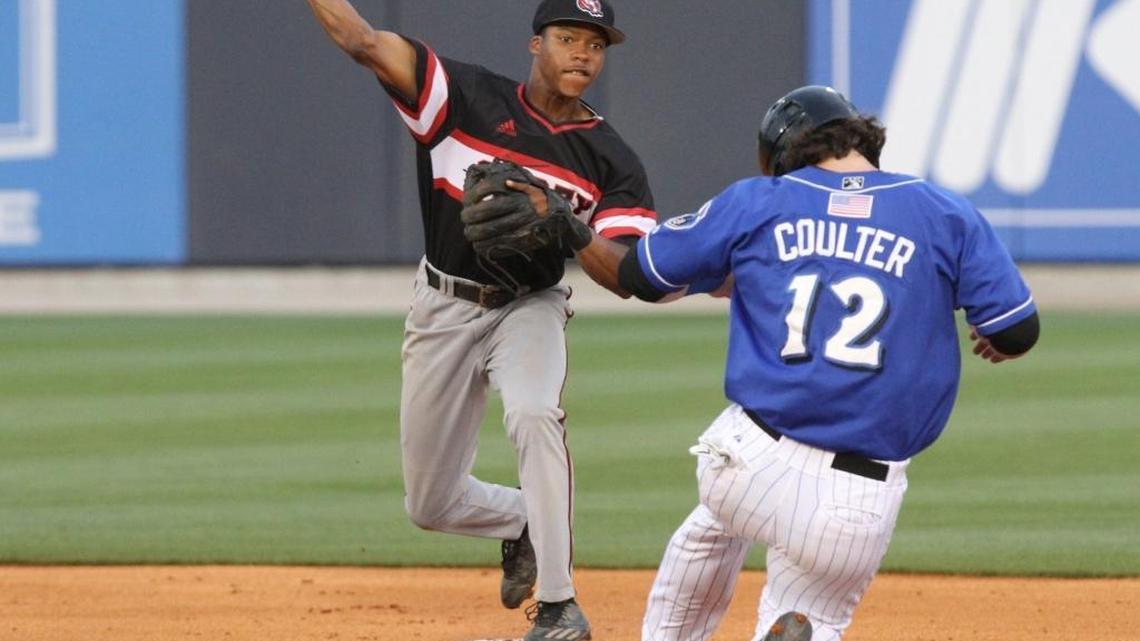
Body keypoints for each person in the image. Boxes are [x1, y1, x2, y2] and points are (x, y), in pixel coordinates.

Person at [554, 85, 1039, 641]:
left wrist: (577, 232)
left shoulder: (759, 201)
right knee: (813, 608)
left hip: (745, 463)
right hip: (854, 500)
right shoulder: (943, 212)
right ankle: (791, 628)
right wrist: (995, 336)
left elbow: (641, 275)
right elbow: (1016, 329)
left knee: (712, 527)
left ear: (784, 155)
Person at [304, 1, 656, 640]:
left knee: (533, 414)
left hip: (530, 305)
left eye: (595, 44)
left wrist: (569, 226)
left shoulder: (609, 159)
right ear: (535, 45)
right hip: (442, 303)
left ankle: (558, 607)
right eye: (567, 37)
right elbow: (360, 40)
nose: (581, 52)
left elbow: (623, 276)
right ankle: (525, 520)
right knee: (430, 504)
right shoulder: (461, 98)